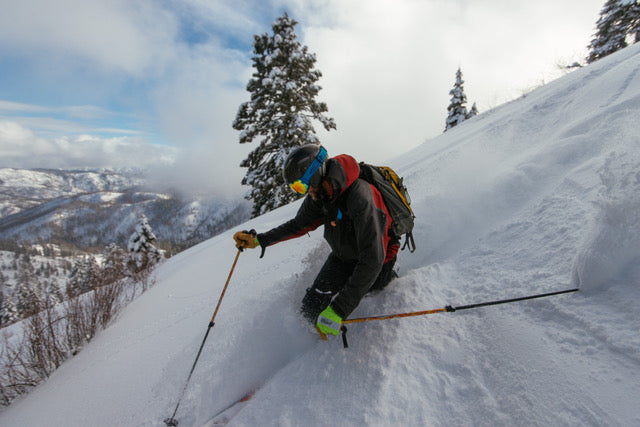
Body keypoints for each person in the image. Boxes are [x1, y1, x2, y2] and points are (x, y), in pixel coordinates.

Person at [233, 144, 399, 337]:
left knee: (373, 297)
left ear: (315, 174)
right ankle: (315, 347)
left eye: (301, 185)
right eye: (296, 188)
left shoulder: (360, 196)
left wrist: (339, 309)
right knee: (311, 306)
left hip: (378, 261)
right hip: (343, 257)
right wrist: (260, 240)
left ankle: (390, 284)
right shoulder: (321, 194)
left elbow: (373, 259)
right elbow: (298, 225)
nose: (304, 192)